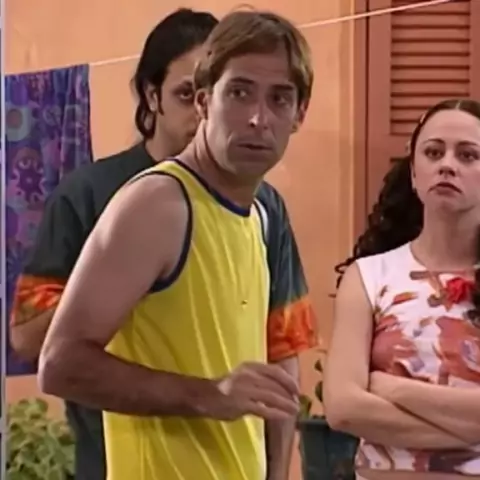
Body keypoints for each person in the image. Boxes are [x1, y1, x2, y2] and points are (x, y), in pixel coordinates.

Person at [18, 9, 314, 480]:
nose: (258, 118)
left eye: (279, 98)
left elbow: (277, 370)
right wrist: (210, 395)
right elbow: (60, 364)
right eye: (239, 92)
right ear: (204, 101)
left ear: (299, 114)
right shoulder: (159, 202)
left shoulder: (260, 214)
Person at [324, 98, 480, 480]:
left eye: (468, 155)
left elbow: (362, 399)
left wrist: (389, 389)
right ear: (413, 173)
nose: (447, 165)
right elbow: (343, 408)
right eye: (433, 152)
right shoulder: (369, 275)